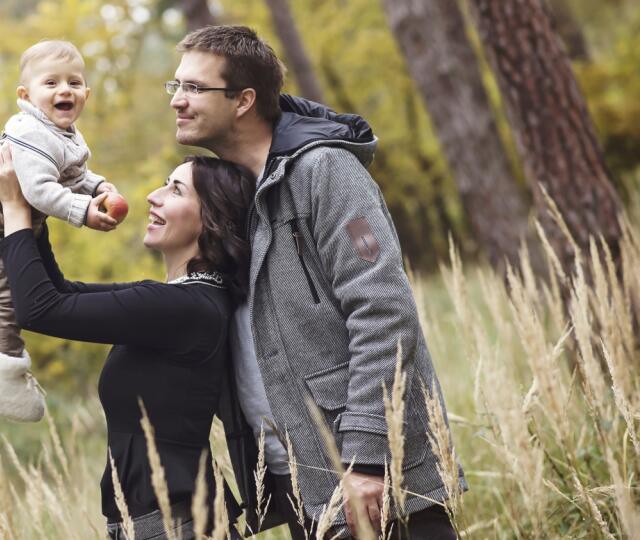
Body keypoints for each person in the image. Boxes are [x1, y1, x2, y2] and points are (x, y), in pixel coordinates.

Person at [168, 25, 466, 538]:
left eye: (194, 88)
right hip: (307, 486)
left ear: (243, 100)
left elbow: (384, 310)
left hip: (372, 481)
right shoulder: (242, 196)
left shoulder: (325, 172)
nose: (177, 100)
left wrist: (369, 458)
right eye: (174, 87)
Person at [0, 144, 255, 539]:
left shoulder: (183, 308)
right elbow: (60, 293)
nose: (153, 195)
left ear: (211, 219)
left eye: (176, 191)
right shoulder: (183, 300)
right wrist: (35, 211)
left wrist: (13, 208)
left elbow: (40, 309)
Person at [0, 40, 120, 422]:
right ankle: (2, 378)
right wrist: (84, 213)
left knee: (23, 296)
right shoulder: (30, 134)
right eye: (52, 83)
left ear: (87, 94)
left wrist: (97, 187)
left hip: (14, 230)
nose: (65, 90)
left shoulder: (64, 133)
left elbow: (74, 174)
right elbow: (39, 191)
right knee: (13, 299)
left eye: (74, 83)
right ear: (26, 95)